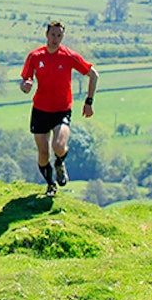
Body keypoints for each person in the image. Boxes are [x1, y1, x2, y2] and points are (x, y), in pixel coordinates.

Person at [20, 21, 98, 197]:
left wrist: (89, 101)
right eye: (53, 35)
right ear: (46, 35)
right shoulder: (35, 56)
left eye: (59, 36)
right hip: (40, 110)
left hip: (62, 110)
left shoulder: (68, 56)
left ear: (62, 37)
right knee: (42, 154)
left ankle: (60, 163)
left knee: (58, 145)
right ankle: (50, 184)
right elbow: (25, 79)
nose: (55, 39)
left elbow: (93, 74)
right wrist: (26, 85)